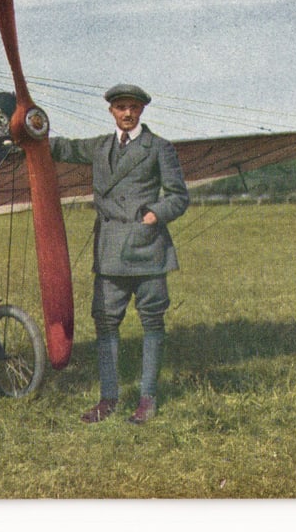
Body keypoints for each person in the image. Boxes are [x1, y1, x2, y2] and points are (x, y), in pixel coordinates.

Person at [49, 84, 189, 424]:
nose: (128, 113)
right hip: (110, 250)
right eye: (121, 107)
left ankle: (147, 399)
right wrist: (28, 131)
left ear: (142, 111)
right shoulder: (99, 147)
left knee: (152, 322)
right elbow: (60, 147)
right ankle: (108, 399)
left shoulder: (159, 148)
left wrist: (155, 214)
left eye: (134, 107)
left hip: (147, 248)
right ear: (111, 110)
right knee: (106, 324)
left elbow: (178, 196)